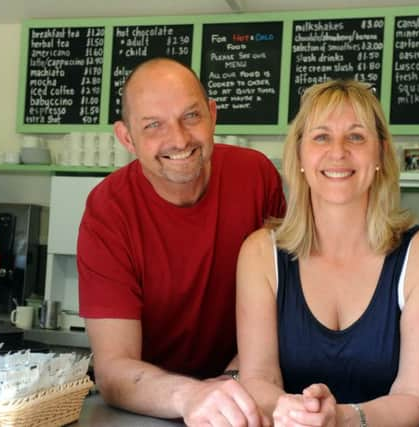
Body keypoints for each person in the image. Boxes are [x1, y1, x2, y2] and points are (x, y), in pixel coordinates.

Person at [77, 58, 286, 425]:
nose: (178, 139)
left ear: (212, 115)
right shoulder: (107, 209)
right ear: (127, 137)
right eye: (153, 125)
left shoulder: (257, 177)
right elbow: (113, 370)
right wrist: (193, 397)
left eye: (191, 116)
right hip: (151, 407)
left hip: (249, 396)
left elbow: (287, 305)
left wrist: (233, 383)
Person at [236, 80, 419, 426]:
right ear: (300, 155)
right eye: (321, 136)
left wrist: (343, 418)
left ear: (381, 153)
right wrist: (296, 411)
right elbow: (259, 377)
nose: (338, 152)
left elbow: (414, 395)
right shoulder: (260, 254)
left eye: (356, 136)